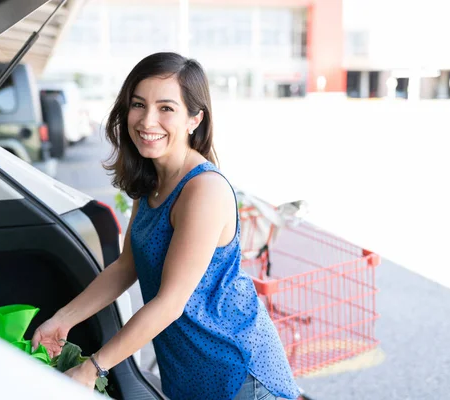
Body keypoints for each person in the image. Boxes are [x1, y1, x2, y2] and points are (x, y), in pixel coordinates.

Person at [31, 52, 300, 400]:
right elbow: (126, 267)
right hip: (190, 375)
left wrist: (92, 368)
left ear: (194, 119)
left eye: (166, 108)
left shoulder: (203, 189)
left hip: (237, 375)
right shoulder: (152, 181)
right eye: (138, 104)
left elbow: (171, 303)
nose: (147, 120)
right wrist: (63, 319)